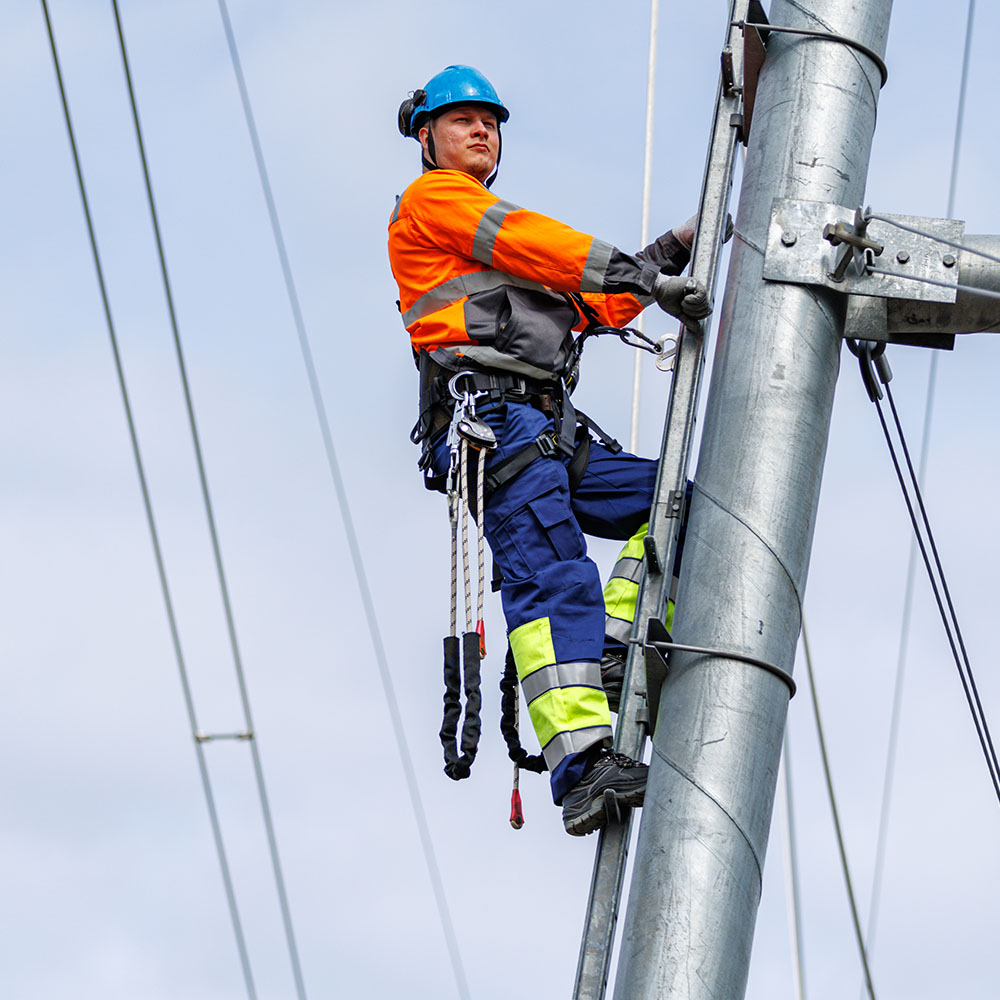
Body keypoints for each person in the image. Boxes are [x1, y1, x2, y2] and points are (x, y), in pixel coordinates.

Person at [388, 65, 710, 836]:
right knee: (553, 577)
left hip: (544, 429)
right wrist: (643, 274)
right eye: (462, 120)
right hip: (494, 427)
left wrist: (669, 252)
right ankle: (583, 771)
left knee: (684, 505)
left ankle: (613, 645)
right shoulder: (435, 203)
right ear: (426, 136)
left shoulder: (494, 258)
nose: (481, 130)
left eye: (490, 122)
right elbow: (538, 242)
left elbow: (595, 301)